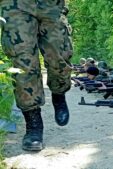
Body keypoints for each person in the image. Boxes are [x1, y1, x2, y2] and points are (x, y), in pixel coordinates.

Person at [1, 1, 73, 151]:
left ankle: (59, 93)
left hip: (51, 4)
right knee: (23, 63)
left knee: (59, 55)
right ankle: (33, 124)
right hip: (15, 4)